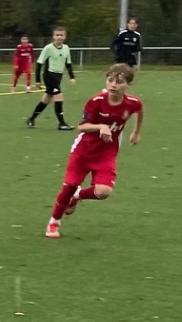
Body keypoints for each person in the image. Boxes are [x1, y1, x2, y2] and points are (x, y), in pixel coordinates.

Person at [46, 64, 145, 238]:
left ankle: (78, 195)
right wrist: (101, 127)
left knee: (103, 192)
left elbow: (139, 111)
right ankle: (54, 222)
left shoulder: (133, 102)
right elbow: (82, 126)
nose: (113, 85)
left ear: (128, 84)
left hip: (106, 153)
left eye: (119, 82)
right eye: (110, 80)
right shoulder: (96, 101)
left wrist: (136, 132)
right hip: (83, 150)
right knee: (68, 187)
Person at [26, 28, 75, 129]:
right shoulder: (48, 48)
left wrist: (71, 76)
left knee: (46, 99)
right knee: (59, 96)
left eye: (61, 35)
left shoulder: (66, 48)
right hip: (49, 75)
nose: (59, 37)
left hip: (58, 76)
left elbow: (68, 63)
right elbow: (39, 64)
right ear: (53, 36)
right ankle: (61, 123)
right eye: (57, 35)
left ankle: (31, 118)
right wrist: (38, 80)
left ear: (65, 37)